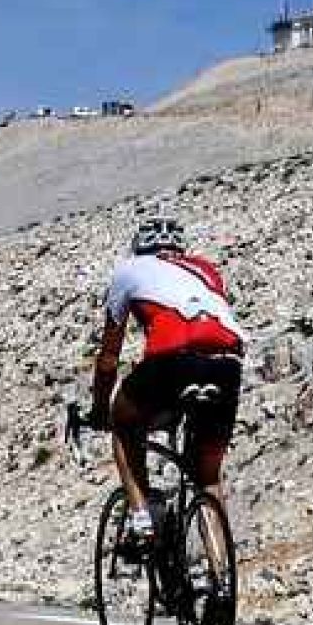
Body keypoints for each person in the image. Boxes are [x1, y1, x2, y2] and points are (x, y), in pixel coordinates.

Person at [85, 217, 245, 561]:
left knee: (123, 426)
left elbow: (109, 359)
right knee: (207, 477)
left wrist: (100, 410)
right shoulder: (205, 270)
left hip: (172, 362)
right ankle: (220, 580)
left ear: (139, 247)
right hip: (227, 364)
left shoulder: (129, 270)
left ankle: (142, 521)